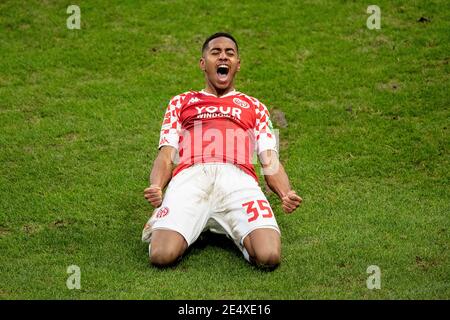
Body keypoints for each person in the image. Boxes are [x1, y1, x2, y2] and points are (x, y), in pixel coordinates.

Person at [142, 32, 302, 269]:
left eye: (230, 53)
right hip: (190, 178)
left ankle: (215, 226)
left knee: (269, 256)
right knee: (161, 255)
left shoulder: (255, 106)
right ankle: (189, 221)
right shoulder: (181, 101)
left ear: (238, 64)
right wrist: (157, 186)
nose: (223, 57)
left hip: (239, 180)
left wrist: (285, 193)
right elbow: (166, 154)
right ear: (202, 63)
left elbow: (270, 158)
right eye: (215, 52)